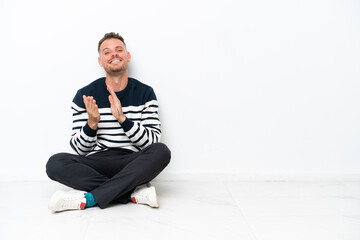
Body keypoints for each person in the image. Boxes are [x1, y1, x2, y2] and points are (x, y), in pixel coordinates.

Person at [46, 32, 171, 212]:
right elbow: (80, 150)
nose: (114, 54)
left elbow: (152, 141)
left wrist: (123, 119)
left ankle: (89, 199)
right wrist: (92, 124)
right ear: (100, 61)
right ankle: (131, 194)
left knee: (161, 152)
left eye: (119, 50)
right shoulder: (85, 95)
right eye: (107, 52)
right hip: (97, 164)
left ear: (127, 57)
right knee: (55, 163)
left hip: (131, 163)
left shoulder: (145, 93)